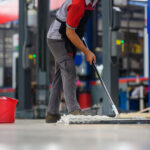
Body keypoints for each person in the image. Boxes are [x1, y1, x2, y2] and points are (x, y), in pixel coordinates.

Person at [46, 0, 98, 123]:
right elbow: (70, 32)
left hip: (68, 38)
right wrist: (87, 52)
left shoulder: (93, 2)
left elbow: (79, 23)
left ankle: (52, 114)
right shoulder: (77, 4)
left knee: (60, 76)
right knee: (68, 69)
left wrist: (80, 34)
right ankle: (74, 110)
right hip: (57, 38)